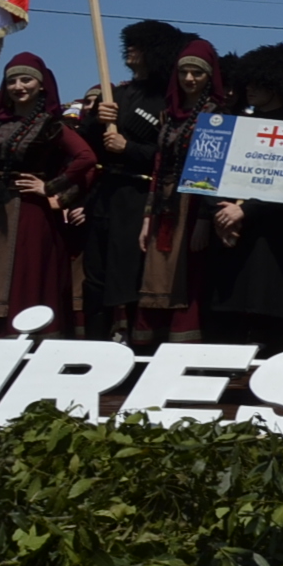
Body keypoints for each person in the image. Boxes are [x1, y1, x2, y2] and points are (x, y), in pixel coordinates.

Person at [0, 53, 96, 346]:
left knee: (25, 277)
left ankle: (23, 345)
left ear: (41, 85)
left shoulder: (51, 126)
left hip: (30, 213)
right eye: (12, 80)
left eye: (26, 79)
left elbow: (86, 157)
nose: (18, 86)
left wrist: (50, 187)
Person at [82, 20, 184, 344]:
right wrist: (97, 123)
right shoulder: (116, 95)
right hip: (104, 194)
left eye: (137, 45)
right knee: (94, 274)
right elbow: (86, 146)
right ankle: (94, 342)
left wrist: (131, 148)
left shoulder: (167, 99)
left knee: (128, 273)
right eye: (128, 43)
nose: (129, 50)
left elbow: (170, 151)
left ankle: (132, 340)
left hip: (139, 194)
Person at [206, 43, 283, 354]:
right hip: (228, 232)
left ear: (276, 85)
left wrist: (245, 211)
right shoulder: (233, 124)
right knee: (227, 315)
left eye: (258, 83)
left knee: (269, 314)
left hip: (271, 236)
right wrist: (220, 211)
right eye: (247, 82)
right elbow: (207, 172)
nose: (249, 88)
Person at [136, 41, 225, 346]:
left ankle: (185, 342)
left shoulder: (217, 115)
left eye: (197, 73)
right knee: (157, 270)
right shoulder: (168, 115)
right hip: (164, 203)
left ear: (209, 76)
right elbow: (158, 166)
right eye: (184, 72)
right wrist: (148, 216)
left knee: (189, 275)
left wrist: (204, 218)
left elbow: (213, 170)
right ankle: (151, 342)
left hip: (194, 204)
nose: (190, 79)